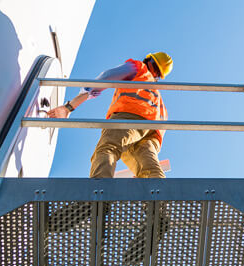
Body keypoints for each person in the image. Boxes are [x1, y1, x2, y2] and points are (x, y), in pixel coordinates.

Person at [47, 51, 172, 179]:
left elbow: (107, 77)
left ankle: (99, 193)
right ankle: (159, 197)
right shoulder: (158, 99)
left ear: (148, 60)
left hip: (129, 117)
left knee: (108, 148)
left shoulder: (139, 68)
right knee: (149, 168)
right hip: (152, 134)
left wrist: (69, 107)